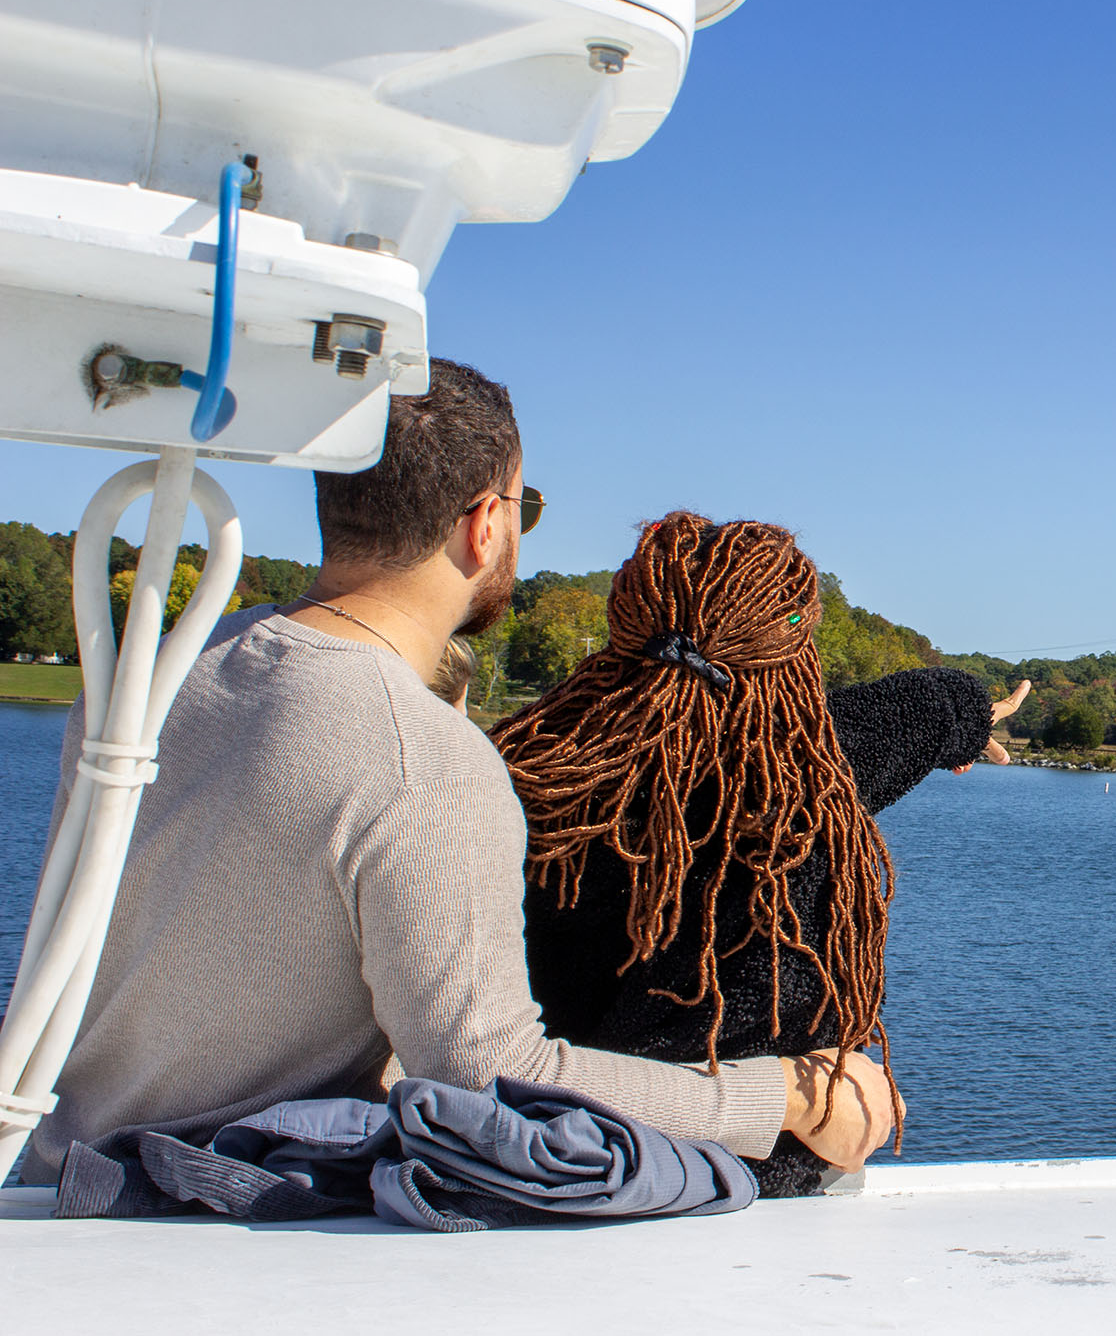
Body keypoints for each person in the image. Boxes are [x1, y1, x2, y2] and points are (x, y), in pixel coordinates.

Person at [21, 359, 895, 1185]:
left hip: (55, 1170)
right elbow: (490, 1079)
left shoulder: (171, 664)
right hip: (208, 1208)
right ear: (485, 522)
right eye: (527, 507)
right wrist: (786, 1096)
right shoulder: (420, 760)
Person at [492, 513, 1029, 1195]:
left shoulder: (532, 770)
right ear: (791, 645)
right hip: (750, 1180)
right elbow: (899, 717)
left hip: (545, 1157)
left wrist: (960, 715)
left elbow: (903, 716)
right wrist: (969, 714)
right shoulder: (801, 776)